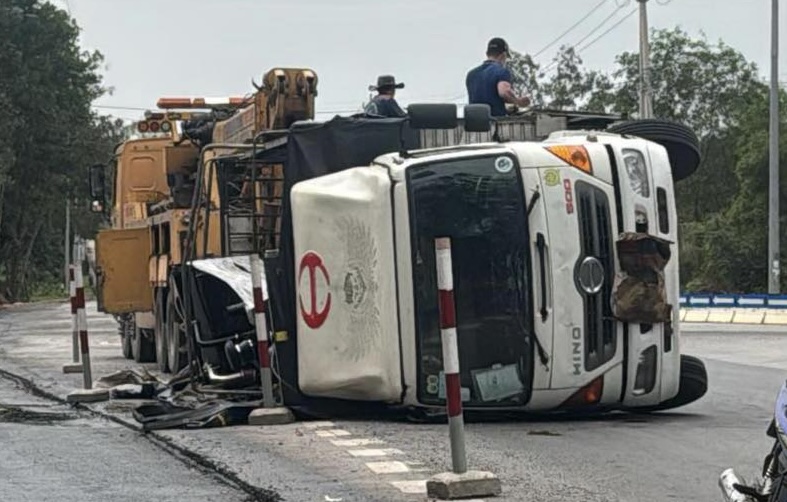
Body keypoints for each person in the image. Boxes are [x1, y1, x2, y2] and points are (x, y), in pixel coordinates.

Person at [466, 37, 530, 117]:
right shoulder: (501, 71)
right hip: (495, 123)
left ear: (487, 54)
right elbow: (504, 92)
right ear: (503, 55)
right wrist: (518, 101)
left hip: (474, 122)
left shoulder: (471, 74)